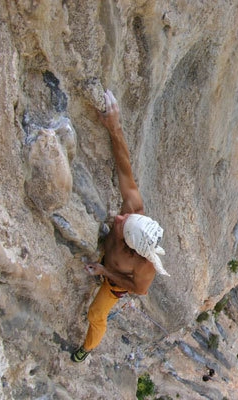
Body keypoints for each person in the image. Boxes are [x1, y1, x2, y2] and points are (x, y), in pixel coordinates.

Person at [71, 89, 167, 363]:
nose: (119, 217)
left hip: (113, 282)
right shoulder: (134, 212)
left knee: (95, 315)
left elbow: (138, 289)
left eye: (123, 224)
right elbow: (125, 168)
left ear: (130, 246)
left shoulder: (144, 266)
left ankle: (87, 349)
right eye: (126, 218)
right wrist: (115, 127)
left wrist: (105, 270)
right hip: (109, 263)